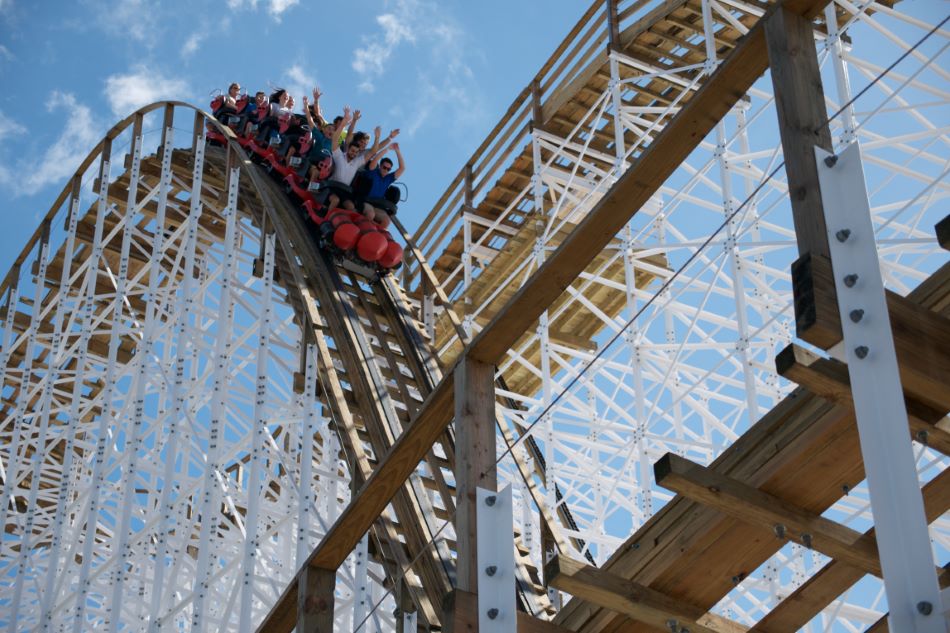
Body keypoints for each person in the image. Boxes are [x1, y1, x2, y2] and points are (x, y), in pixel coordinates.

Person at [324, 107, 369, 211]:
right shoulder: (343, 152)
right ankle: (325, 218)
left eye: (364, 144)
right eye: (361, 142)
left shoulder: (358, 160)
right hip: (333, 185)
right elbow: (346, 135)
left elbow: (372, 152)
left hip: (344, 189)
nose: (362, 145)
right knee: (336, 200)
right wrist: (351, 121)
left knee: (351, 207)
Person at [357, 143, 405, 228]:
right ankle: (363, 230)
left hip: (377, 205)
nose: (386, 170)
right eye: (384, 167)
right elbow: (375, 160)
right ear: (380, 166)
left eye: (388, 169)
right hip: (366, 201)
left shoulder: (388, 178)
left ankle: (374, 236)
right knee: (370, 214)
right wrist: (387, 149)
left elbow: (402, 168)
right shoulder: (373, 172)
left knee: (386, 221)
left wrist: (397, 151)